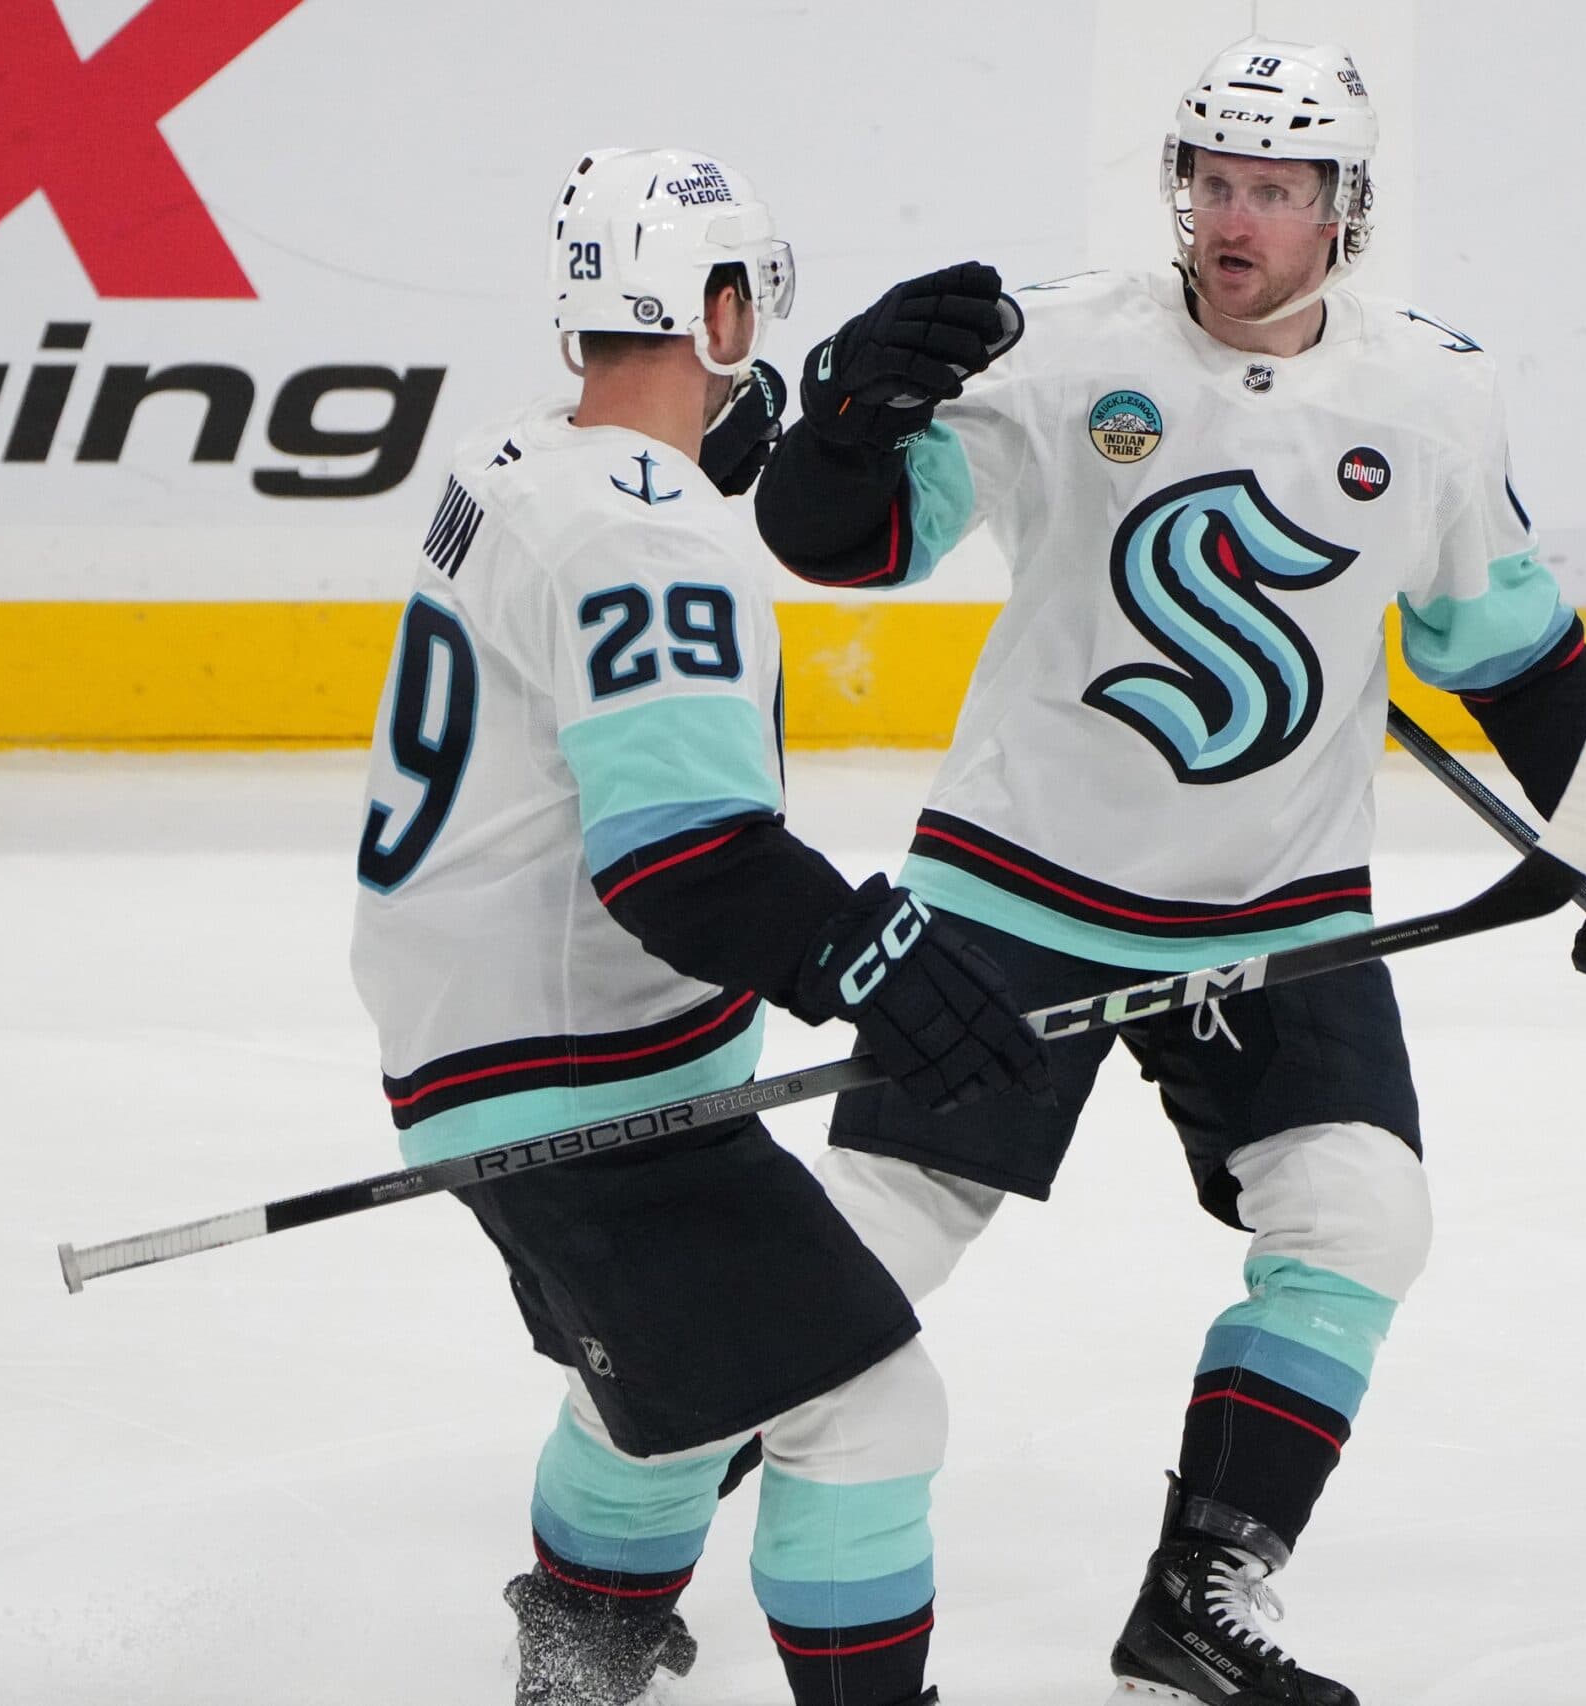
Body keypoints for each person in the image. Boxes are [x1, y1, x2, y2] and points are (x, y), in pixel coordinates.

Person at [752, 38, 1586, 1706]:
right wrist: (840, 431)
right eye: (1212, 180)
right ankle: (615, 1538)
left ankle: (1203, 1586)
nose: (1233, 220)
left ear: (1345, 210)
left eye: (1274, 190)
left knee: (1361, 1211)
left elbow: (1507, 653)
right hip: (1013, 892)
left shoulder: (1428, 394)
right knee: (861, 1255)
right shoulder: (1060, 350)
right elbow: (849, 543)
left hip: (1275, 913)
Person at [349, 145, 1048, 1706]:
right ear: (721, 310)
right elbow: (685, 862)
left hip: (494, 1046)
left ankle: (583, 1634)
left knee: (682, 1382)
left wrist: (833, 437)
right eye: (749, 307)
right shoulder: (650, 541)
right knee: (869, 1413)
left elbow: (663, 503)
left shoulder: (520, 460)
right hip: (585, 1082)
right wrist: (877, 957)